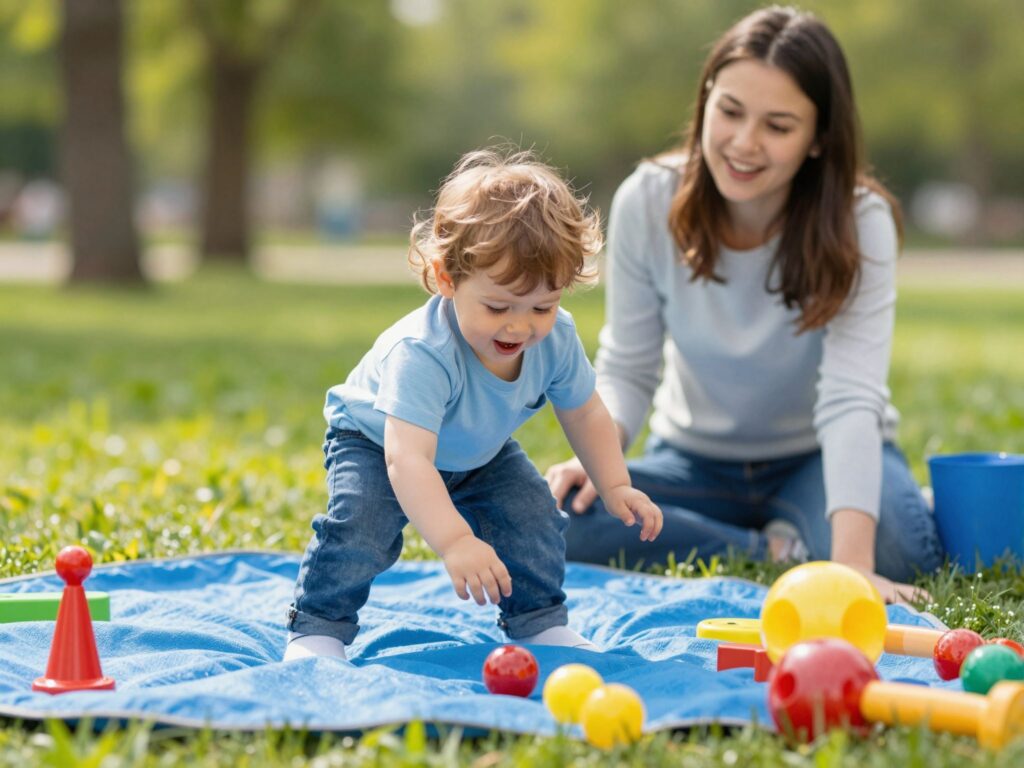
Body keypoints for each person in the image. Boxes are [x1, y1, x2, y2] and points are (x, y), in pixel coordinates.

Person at [545, 6, 943, 603]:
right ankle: (774, 548)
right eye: (730, 111)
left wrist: (853, 567)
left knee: (895, 552)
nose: (744, 143)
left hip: (814, 456)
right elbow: (629, 365)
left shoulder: (861, 220)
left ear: (819, 138)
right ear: (706, 100)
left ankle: (824, 525)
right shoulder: (647, 199)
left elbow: (850, 397)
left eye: (778, 126)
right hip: (692, 462)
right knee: (555, 515)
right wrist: (601, 461)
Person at [285, 149, 663, 660]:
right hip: (380, 444)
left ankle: (538, 622)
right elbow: (407, 459)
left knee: (532, 518)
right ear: (447, 279)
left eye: (542, 306)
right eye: (498, 305)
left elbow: (585, 412)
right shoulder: (423, 353)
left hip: (478, 450)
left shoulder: (556, 338)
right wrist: (456, 541)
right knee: (362, 525)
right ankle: (318, 628)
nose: (520, 326)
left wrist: (614, 484)